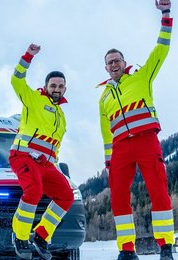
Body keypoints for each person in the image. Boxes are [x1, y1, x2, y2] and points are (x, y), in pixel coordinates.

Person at [98, 1, 174, 259]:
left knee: (158, 190)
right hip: (120, 149)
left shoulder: (142, 76)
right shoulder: (104, 98)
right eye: (109, 62)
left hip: (146, 140)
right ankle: (127, 250)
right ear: (106, 68)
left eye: (117, 60)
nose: (114, 64)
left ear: (124, 62)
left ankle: (165, 245)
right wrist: (109, 159)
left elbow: (161, 49)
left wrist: (165, 14)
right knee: (118, 198)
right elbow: (105, 132)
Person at [9, 44, 74, 260]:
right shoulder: (34, 99)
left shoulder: (61, 115)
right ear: (46, 86)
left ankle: (41, 235)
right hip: (23, 155)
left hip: (47, 164)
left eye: (60, 86)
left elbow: (55, 147)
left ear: (64, 89)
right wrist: (28, 56)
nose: (57, 89)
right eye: (53, 85)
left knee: (66, 194)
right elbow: (16, 80)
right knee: (34, 191)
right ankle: (19, 236)